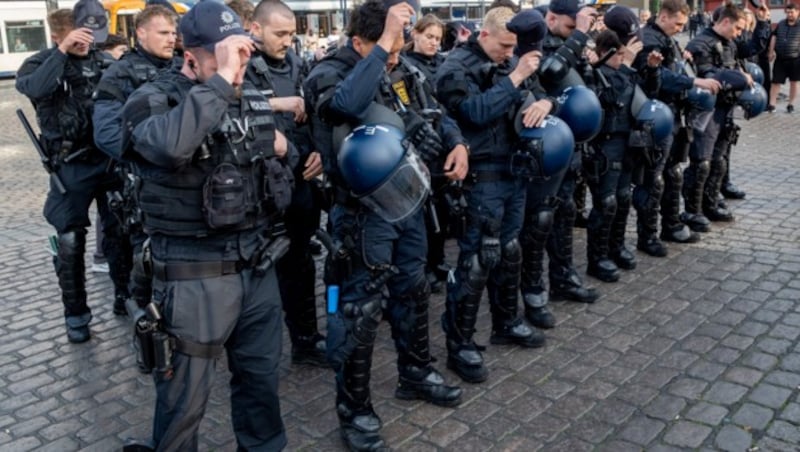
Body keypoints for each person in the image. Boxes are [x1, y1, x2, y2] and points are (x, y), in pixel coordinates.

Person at [119, 2, 292, 450]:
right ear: (190, 56)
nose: (239, 64)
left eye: (244, 52)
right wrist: (218, 83)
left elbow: (267, 161)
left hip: (255, 268)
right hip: (193, 276)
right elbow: (169, 148)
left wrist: (283, 148)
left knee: (261, 386)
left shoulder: (250, 94)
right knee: (183, 403)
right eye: (226, 55)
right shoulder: (154, 98)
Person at [304, 2, 465, 449]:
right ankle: (353, 411)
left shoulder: (402, 67)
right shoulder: (329, 72)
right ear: (360, 43)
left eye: (396, 50)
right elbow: (345, 106)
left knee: (413, 291)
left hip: (408, 202)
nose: (394, 57)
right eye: (385, 49)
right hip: (360, 213)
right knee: (359, 311)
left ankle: (414, 371)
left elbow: (432, 111)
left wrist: (456, 145)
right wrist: (382, 49)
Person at [435, 6, 549, 385]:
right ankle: (460, 342)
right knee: (477, 259)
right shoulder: (456, 66)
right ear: (483, 35)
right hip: (480, 176)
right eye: (503, 46)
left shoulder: (508, 64)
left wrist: (543, 102)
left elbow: (541, 93)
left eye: (512, 49)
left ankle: (507, 321)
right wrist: (516, 76)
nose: (507, 54)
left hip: (513, 169)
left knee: (509, 249)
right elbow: (473, 112)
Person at [16, 1, 130, 343]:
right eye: (76, 34)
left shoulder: (103, 61)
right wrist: (63, 52)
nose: (85, 39)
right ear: (57, 35)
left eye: (89, 33)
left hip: (108, 161)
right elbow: (34, 89)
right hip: (70, 166)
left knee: (120, 230)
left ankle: (124, 294)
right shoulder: (40, 63)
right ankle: (76, 314)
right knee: (69, 239)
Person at [247, 0, 328, 367]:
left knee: (299, 265)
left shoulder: (297, 64)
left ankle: (306, 340)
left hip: (299, 183)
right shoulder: (240, 64)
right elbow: (223, 105)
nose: (287, 40)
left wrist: (318, 152)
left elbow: (312, 114)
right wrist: (274, 103)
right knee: (256, 276)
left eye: (292, 34)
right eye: (279, 33)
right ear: (255, 29)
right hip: (257, 188)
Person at [93, 4, 177, 320]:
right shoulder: (119, 73)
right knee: (148, 262)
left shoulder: (183, 66)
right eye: (163, 33)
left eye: (173, 32)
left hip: (181, 186)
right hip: (143, 183)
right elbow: (106, 134)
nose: (171, 39)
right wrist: (157, 153)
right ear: (140, 33)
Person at [630, 0, 722, 257]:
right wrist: (695, 80)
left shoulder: (664, 37)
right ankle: (647, 236)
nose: (681, 28)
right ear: (664, 16)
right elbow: (662, 79)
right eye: (679, 23)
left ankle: (671, 225)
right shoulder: (650, 38)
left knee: (672, 174)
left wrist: (684, 61)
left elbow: (672, 69)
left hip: (672, 114)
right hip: (657, 115)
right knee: (653, 179)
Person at [585, 8, 662, 283]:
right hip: (606, 145)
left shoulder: (624, 72)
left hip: (627, 144)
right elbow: (612, 98)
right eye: (618, 54)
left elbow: (644, 95)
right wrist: (627, 64)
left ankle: (616, 247)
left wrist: (651, 71)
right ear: (607, 52)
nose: (623, 57)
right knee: (606, 203)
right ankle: (597, 256)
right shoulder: (596, 74)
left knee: (622, 199)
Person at [683, 2, 769, 231]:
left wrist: (761, 23)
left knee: (719, 160)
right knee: (701, 161)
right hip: (707, 111)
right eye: (738, 28)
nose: (739, 33)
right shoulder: (701, 43)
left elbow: (751, 48)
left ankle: (710, 203)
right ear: (726, 22)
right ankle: (693, 210)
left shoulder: (728, 41)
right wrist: (738, 77)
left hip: (726, 108)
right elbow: (709, 75)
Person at [538, 0, 601, 303]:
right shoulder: (538, 41)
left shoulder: (569, 44)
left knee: (565, 213)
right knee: (540, 221)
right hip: (546, 146)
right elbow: (550, 73)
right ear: (551, 18)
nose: (574, 32)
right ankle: (533, 292)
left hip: (571, 142)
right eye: (569, 26)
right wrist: (579, 38)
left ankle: (563, 278)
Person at [767, 2, 800, 113]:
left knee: (794, 82)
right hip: (780, 59)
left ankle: (790, 104)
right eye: (788, 12)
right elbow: (774, 37)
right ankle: (772, 105)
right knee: (775, 82)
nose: (789, 14)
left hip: (795, 59)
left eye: (792, 12)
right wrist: (771, 52)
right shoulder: (781, 24)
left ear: (797, 12)